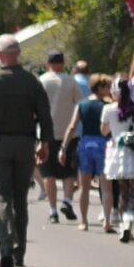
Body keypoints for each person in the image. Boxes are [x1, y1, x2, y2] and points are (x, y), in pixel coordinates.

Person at [0, 33, 51, 267]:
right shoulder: (32, 81)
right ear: (18, 54)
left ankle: (5, 246)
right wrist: (44, 143)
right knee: (20, 199)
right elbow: (45, 116)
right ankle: (19, 252)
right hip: (25, 143)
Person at [37, 50, 82, 223]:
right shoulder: (71, 82)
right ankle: (68, 201)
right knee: (68, 171)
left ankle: (53, 210)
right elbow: (80, 103)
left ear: (48, 64)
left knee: (48, 174)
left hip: (45, 134)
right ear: (63, 64)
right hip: (68, 134)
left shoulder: (41, 81)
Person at [102, 77, 134, 241]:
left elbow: (104, 132)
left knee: (122, 191)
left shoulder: (108, 109)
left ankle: (122, 225)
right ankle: (129, 221)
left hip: (117, 152)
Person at [65, 74, 108, 231]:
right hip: (103, 144)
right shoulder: (106, 106)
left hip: (85, 144)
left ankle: (84, 221)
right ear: (101, 88)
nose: (109, 90)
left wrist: (64, 147)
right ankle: (107, 220)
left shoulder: (81, 105)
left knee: (84, 185)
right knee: (106, 186)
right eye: (107, 87)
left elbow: (72, 127)